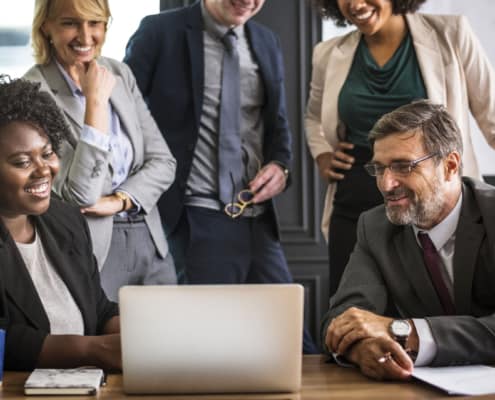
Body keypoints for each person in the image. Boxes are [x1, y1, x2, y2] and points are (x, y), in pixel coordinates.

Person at [124, 0, 318, 353]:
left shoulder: (266, 40)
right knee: (206, 349)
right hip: (195, 219)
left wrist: (281, 166)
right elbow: (121, 114)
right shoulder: (158, 33)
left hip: (258, 222)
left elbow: (277, 125)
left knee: (294, 346)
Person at [305, 0, 495, 298]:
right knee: (352, 305)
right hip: (356, 193)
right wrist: (322, 153)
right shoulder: (327, 53)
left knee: (435, 303)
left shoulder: (452, 33)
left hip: (431, 195)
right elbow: (314, 116)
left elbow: (492, 114)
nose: (355, 4)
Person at [321, 100, 495, 381]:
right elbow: (342, 318)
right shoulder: (375, 227)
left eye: (404, 166)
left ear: (450, 166)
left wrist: (407, 332)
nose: (386, 184)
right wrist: (363, 349)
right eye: (379, 169)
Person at [24, 0, 178, 302]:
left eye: (95, 22)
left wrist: (119, 200)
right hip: (93, 247)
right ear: (46, 27)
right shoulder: (33, 90)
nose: (85, 35)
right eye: (70, 23)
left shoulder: (118, 73)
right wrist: (95, 104)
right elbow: (79, 194)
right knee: (107, 345)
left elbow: (163, 162)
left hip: (150, 238)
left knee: (168, 343)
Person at [0, 76, 121, 371]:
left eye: (47, 153)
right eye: (22, 162)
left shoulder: (64, 219)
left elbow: (99, 309)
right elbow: (6, 340)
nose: (44, 170)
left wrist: (143, 330)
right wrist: (92, 350)